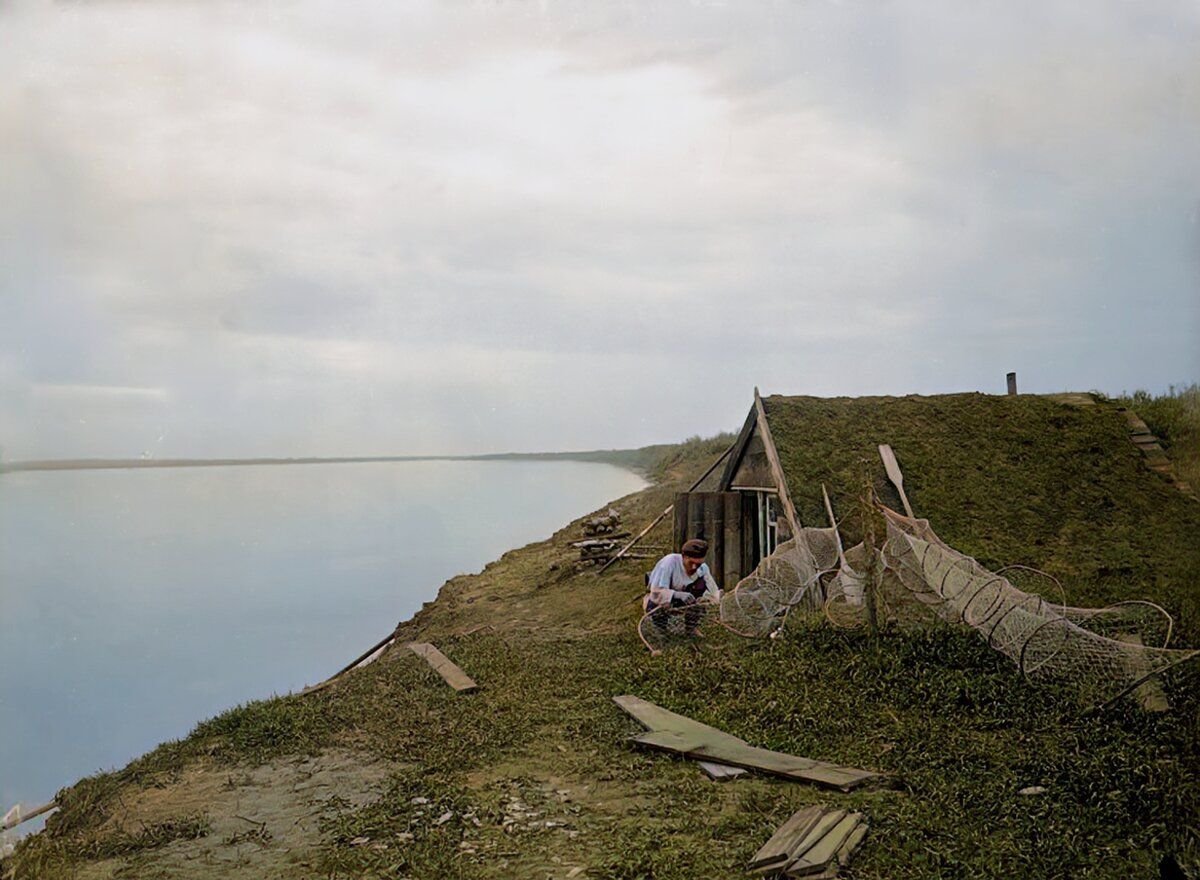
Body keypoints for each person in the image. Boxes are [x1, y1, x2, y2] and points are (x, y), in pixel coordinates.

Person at [644, 538, 721, 635]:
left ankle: (691, 628)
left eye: (697, 564)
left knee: (700, 586)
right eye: (691, 563)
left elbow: (714, 591)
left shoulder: (703, 569)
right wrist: (676, 594)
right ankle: (661, 629)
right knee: (657, 608)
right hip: (663, 599)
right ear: (684, 557)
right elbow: (656, 591)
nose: (694, 567)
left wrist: (705, 599)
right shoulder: (670, 562)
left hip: (687, 600)